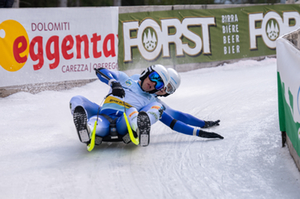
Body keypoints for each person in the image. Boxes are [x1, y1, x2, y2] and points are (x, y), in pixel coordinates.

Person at [70, 64, 170, 147]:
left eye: (158, 85)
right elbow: (101, 71)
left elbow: (175, 120)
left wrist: (186, 130)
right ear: (146, 73)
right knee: (76, 99)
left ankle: (141, 128)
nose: (153, 84)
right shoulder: (124, 79)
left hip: (124, 121)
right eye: (154, 77)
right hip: (103, 115)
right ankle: (86, 129)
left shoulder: (151, 100)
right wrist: (113, 83)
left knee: (156, 107)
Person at [132, 68, 223, 139]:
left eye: (169, 88)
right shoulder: (137, 79)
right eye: (164, 84)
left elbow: (177, 117)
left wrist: (203, 125)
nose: (163, 89)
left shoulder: (156, 104)